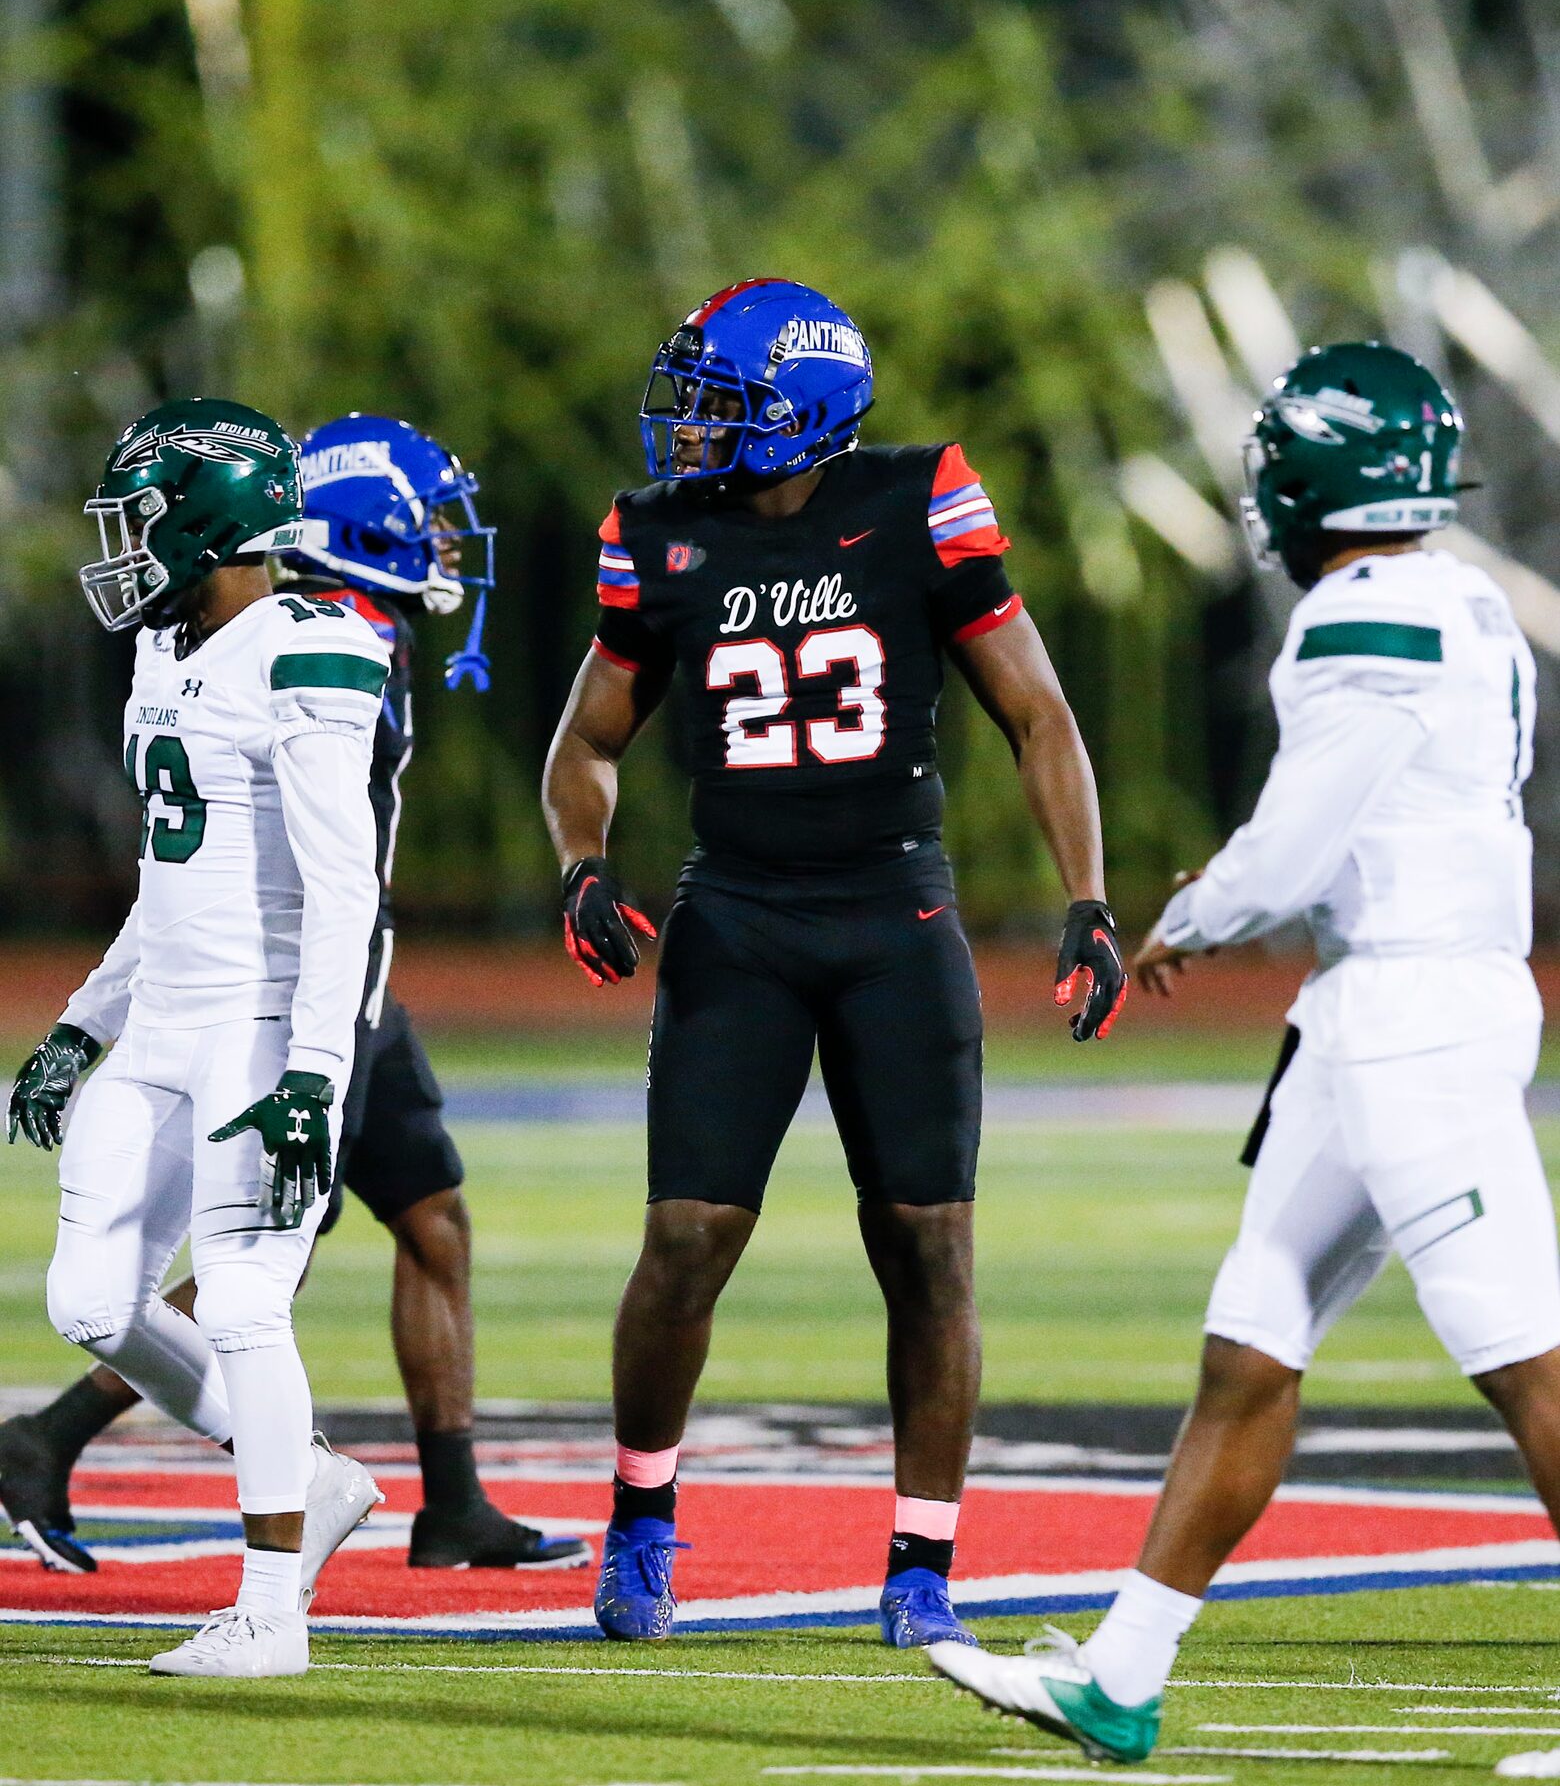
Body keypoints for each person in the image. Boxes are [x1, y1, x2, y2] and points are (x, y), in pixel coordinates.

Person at [929, 342, 1560, 1759]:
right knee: (1251, 1348)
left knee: (1530, 1359)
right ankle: (1124, 1673)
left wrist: (1191, 915)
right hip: (1379, 1011)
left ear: (1318, 472)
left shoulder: (1363, 614)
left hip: (1412, 1017)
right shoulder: (1460, 593)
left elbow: (1298, 839)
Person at [542, 278, 1127, 1648]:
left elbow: (1037, 713)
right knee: (684, 1239)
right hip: (736, 918)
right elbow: (586, 738)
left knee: (928, 1247)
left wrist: (1088, 897)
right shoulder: (660, 536)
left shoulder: (917, 498)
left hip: (893, 922)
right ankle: (641, 1520)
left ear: (801, 411)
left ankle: (923, 1560)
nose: (688, 427)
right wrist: (583, 861)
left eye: (720, 400)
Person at [0, 413, 587, 1575]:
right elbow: (316, 879)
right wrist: (314, 1054)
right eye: (427, 528)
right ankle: (56, 1438)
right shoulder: (316, 642)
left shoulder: (284, 625)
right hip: (309, 988)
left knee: (431, 1219)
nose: (449, 550)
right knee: (265, 1249)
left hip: (346, 977)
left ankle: (453, 1500)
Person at [5, 400, 390, 1677]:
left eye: (144, 518)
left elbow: (344, 897)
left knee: (236, 1302)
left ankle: (272, 1609)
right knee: (92, 1304)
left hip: (260, 1030)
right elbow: (171, 886)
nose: (123, 546)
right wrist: (80, 1022)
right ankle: (318, 1484)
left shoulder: (309, 651)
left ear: (213, 525)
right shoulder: (164, 653)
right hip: (162, 1020)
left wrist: (311, 1080)